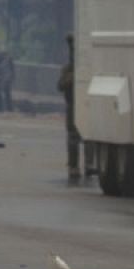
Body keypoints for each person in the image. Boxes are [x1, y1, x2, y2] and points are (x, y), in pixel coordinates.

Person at [59, 33, 81, 181]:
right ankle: (73, 165)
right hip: (72, 105)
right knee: (73, 137)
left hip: (85, 104)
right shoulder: (67, 69)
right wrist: (72, 77)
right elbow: (60, 86)